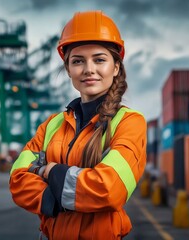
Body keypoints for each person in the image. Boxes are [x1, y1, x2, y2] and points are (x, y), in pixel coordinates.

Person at [10, 10, 147, 239]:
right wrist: (59, 199)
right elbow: (18, 179)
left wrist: (48, 170)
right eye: (78, 61)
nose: (88, 69)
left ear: (115, 67)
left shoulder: (130, 123)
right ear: (68, 69)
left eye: (99, 59)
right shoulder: (51, 126)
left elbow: (109, 189)